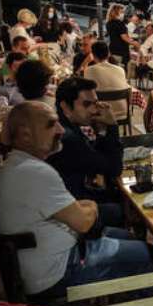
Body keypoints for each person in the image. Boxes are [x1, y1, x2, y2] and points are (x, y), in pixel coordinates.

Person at [0, 101, 153, 298]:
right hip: (60, 273)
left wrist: (84, 209)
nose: (60, 129)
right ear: (25, 134)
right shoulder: (33, 172)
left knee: (127, 237)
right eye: (51, 125)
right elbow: (83, 222)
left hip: (50, 263)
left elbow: (78, 213)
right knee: (144, 253)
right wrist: (89, 207)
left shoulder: (18, 166)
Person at [49, 77, 126, 227]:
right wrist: (112, 126)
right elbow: (113, 168)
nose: (94, 109)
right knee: (127, 209)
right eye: (86, 104)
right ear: (65, 107)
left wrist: (102, 131)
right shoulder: (67, 138)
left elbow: (94, 156)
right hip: (75, 212)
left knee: (119, 196)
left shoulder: (67, 126)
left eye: (96, 103)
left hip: (74, 200)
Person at [84, 42, 131, 121]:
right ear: (108, 54)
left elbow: (86, 91)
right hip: (122, 112)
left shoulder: (89, 70)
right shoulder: (120, 70)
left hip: (101, 113)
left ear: (93, 55)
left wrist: (86, 62)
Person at [105, 4, 139, 69]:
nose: (123, 14)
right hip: (121, 51)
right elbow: (124, 37)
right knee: (122, 69)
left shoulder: (108, 23)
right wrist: (134, 43)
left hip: (112, 49)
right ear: (116, 12)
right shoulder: (119, 23)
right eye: (122, 12)